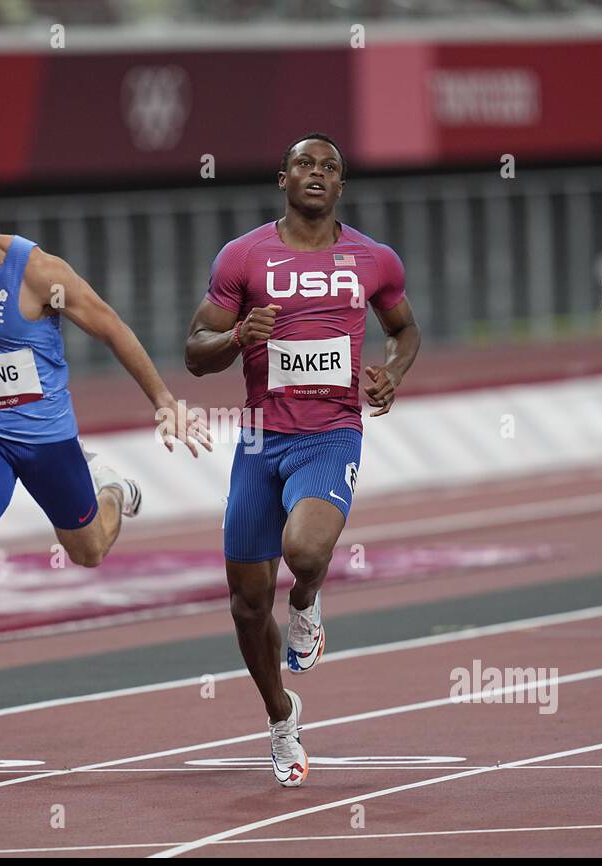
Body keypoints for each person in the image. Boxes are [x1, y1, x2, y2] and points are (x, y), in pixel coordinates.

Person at [0, 165, 210, 713]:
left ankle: (113, 487)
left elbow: (113, 328)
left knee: (88, 551)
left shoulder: (39, 272)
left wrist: (165, 402)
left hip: (47, 440)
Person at [183, 133, 420, 787]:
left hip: (329, 435)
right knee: (246, 604)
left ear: (340, 186)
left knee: (306, 551)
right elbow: (194, 352)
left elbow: (405, 329)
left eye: (330, 167)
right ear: (282, 177)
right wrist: (235, 335)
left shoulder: (372, 259)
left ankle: (309, 602)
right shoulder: (244, 256)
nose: (317, 173)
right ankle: (281, 717)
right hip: (260, 440)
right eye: (305, 164)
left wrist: (393, 373)